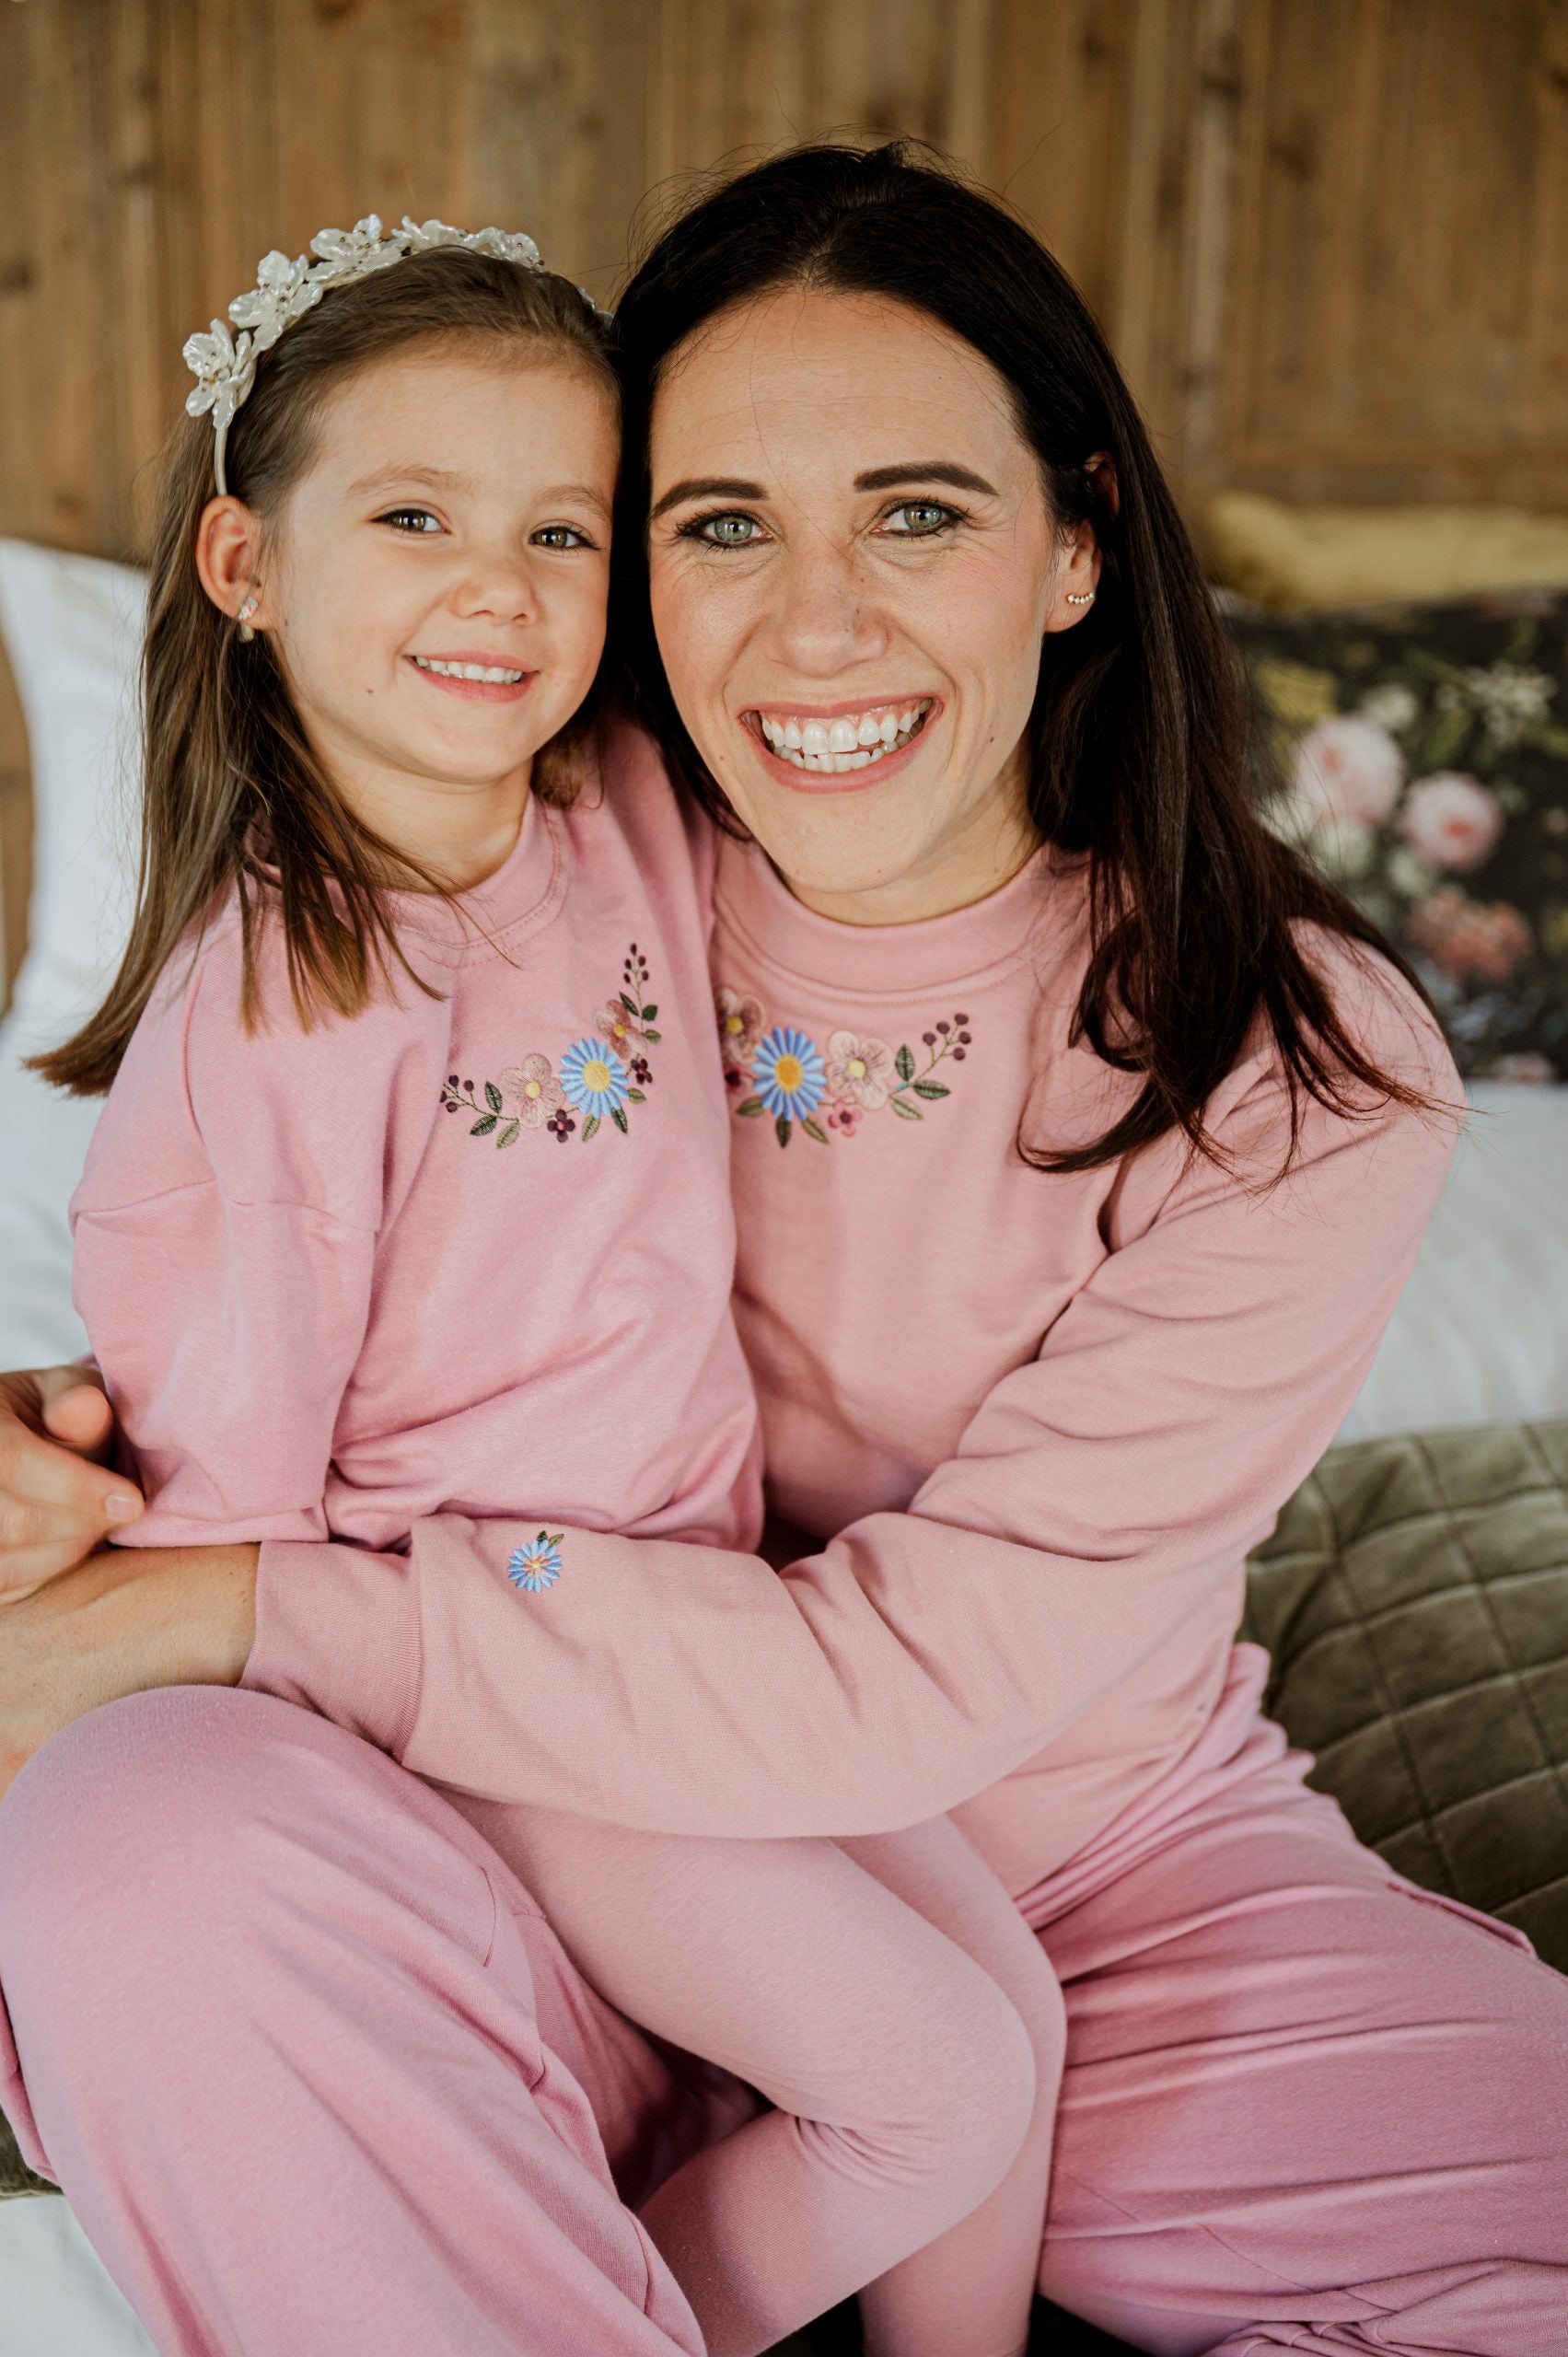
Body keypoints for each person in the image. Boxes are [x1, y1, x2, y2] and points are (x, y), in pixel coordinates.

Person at [3, 144, 1566, 2356]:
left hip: (1067, 1871)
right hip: (470, 1806)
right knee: (134, 1843)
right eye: (716, 524)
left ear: (1077, 542)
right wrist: (69, 1457)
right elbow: (257, 1261)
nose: (814, 627)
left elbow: (913, 1688)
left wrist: (231, 1603)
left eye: (917, 512)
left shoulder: (1301, 1068)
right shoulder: (554, 819)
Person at [0, 211, 1065, 2357]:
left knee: (1013, 2020)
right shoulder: (280, 1016)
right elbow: (232, 1534)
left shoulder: (627, 809)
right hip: (493, 1685)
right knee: (933, 2077)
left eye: (563, 530)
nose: (500, 584)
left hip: (713, 1628)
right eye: (414, 517)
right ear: (244, 569)